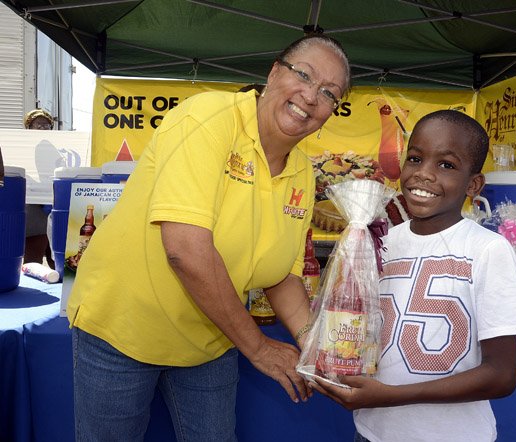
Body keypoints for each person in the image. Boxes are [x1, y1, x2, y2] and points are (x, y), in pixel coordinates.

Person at [66, 34, 350, 441]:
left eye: (328, 93)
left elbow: (281, 276)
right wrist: (258, 348)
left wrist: (318, 348)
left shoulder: (302, 172)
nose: (310, 95)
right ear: (273, 72)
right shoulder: (210, 117)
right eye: (303, 74)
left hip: (211, 338)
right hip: (123, 329)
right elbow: (185, 250)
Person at [311, 110, 516, 442]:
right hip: (372, 432)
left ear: (473, 184)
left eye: (446, 165)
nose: (423, 175)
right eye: (415, 159)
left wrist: (389, 396)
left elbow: (502, 376)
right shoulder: (381, 243)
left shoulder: (489, 249)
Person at [23, 108, 55, 268]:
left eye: (46, 125)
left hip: (53, 203)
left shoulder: (56, 147)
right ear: (29, 127)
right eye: (38, 125)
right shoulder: (21, 148)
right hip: (34, 205)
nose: (43, 128)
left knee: (55, 255)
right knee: (33, 257)